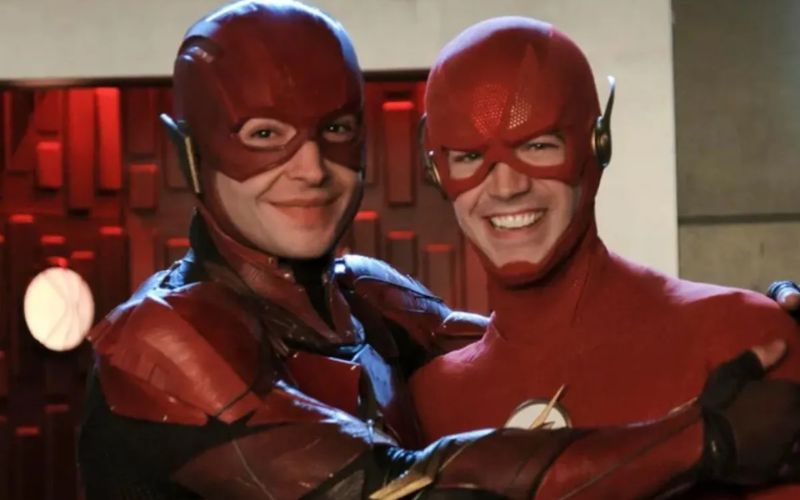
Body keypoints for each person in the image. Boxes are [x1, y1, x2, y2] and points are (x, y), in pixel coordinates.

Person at [75, 2, 800, 498]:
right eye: (264, 135)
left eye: (334, 130)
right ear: (190, 154)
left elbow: (541, 342)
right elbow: (403, 489)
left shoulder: (366, 298)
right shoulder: (162, 344)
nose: (309, 168)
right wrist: (705, 440)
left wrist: (750, 318)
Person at [411, 16, 800, 498]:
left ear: (597, 145)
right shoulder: (429, 397)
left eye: (538, 146)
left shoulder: (740, 340)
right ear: (438, 172)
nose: (507, 187)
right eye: (470, 157)